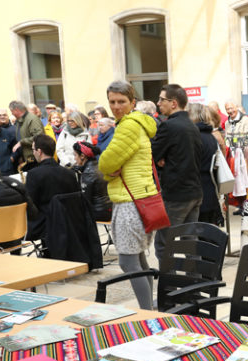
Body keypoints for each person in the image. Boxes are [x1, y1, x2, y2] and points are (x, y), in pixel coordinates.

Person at [98, 80, 158, 310]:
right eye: (112, 102)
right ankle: (148, 309)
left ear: (132, 102)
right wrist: (109, 171)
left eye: (121, 101)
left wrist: (106, 171)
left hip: (130, 202)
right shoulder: (134, 123)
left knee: (128, 263)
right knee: (139, 261)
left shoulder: (129, 125)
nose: (116, 106)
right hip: (137, 199)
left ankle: (146, 312)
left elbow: (106, 162)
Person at [152, 83, 204, 262]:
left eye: (162, 99)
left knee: (164, 245)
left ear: (173, 103)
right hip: (194, 192)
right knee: (190, 244)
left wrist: (161, 161)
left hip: (176, 195)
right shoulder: (192, 125)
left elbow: (152, 155)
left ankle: (169, 280)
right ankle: (195, 279)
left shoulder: (169, 126)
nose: (158, 103)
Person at [25, 134, 81, 242]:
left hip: (44, 226)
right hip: (70, 223)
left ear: (39, 151)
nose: (33, 153)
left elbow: (31, 205)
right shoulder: (69, 173)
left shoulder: (34, 174)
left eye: (33, 150)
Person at [188, 103, 224, 227]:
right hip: (209, 189)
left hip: (198, 192)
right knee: (207, 231)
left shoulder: (195, 137)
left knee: (197, 231)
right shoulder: (211, 137)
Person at [73, 141, 112, 222]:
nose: (74, 158)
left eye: (75, 155)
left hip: (98, 213)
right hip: (108, 209)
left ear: (82, 156)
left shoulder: (88, 173)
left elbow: (85, 200)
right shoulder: (98, 166)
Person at [9, 100, 44, 172]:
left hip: (34, 159)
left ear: (16, 110)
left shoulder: (32, 119)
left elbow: (39, 137)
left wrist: (22, 142)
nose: (11, 114)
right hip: (25, 159)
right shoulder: (19, 121)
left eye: (12, 111)